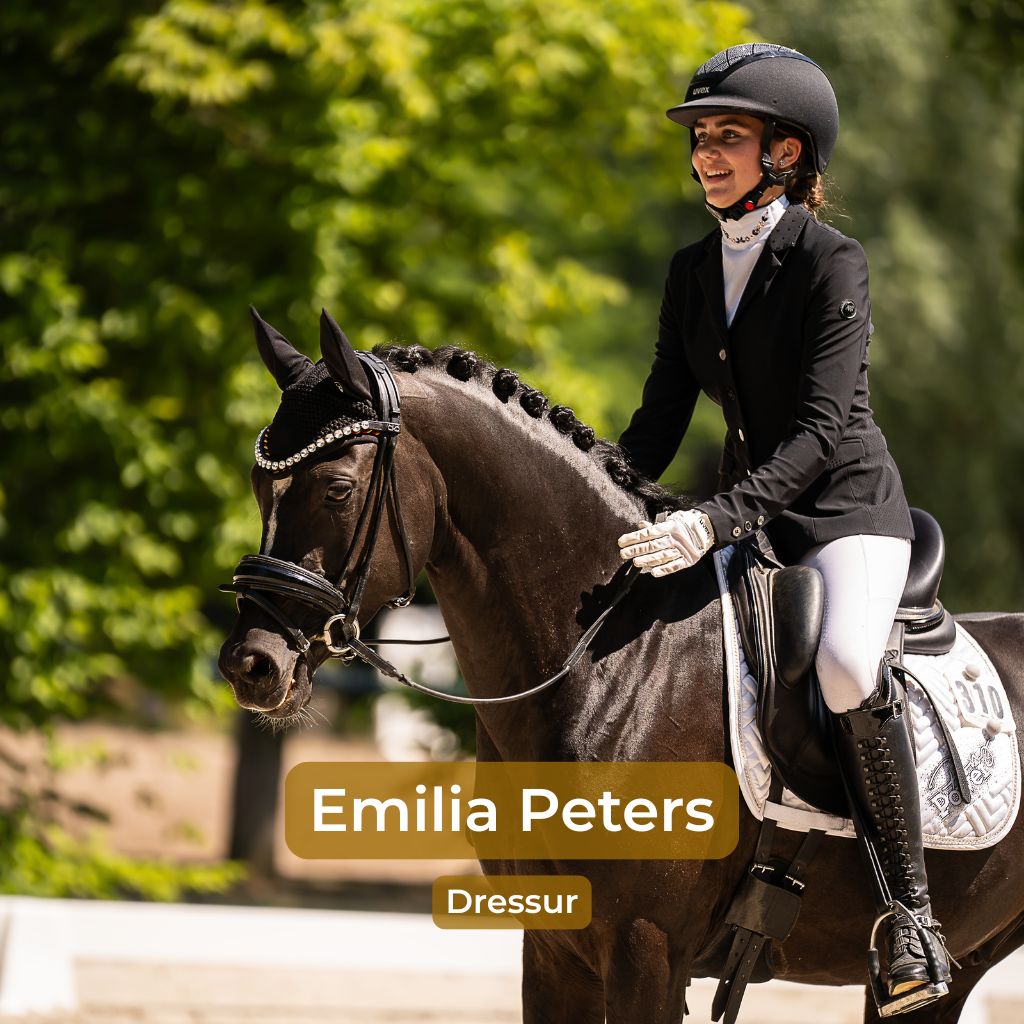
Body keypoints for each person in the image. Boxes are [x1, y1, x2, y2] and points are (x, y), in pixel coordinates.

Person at [615, 43, 951, 1014]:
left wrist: (711, 521)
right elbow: (657, 420)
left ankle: (912, 919)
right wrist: (602, 495)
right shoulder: (692, 270)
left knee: (844, 663)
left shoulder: (829, 261)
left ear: (786, 152)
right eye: (699, 137)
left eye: (728, 135)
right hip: (750, 520)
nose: (705, 154)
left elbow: (820, 430)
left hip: (845, 515)